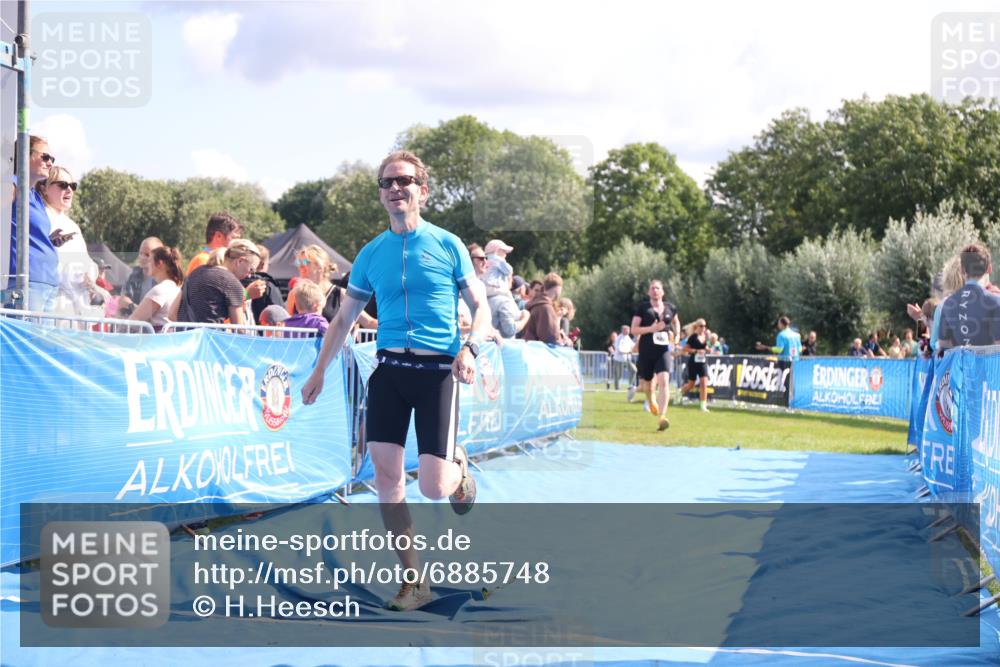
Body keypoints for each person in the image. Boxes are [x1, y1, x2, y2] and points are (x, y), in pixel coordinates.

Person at [300, 150, 491, 612]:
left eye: (404, 181)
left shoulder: (448, 245)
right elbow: (344, 318)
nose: (394, 189)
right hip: (388, 373)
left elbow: (481, 310)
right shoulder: (370, 254)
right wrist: (319, 370)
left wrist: (471, 348)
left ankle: (457, 465)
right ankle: (414, 580)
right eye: (386, 183)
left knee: (434, 488)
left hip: (436, 376)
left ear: (422, 190)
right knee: (386, 478)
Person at [39, 167, 107, 317]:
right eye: (63, 185)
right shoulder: (42, 219)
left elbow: (85, 261)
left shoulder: (72, 225)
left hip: (77, 307)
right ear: (44, 188)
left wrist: (90, 273)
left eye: (73, 186)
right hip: (55, 304)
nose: (69, 190)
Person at [7, 135, 59, 311]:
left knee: (39, 339)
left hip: (47, 282)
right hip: (24, 282)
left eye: (52, 159)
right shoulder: (12, 186)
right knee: (24, 338)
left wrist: (49, 240)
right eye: (45, 157)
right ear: (24, 155)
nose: (50, 163)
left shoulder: (35, 196)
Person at [170, 239, 260, 325]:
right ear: (240, 261)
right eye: (251, 270)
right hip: (210, 338)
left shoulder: (195, 272)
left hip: (185, 337)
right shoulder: (232, 283)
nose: (250, 275)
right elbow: (239, 330)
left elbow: (171, 315)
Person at [631, 279, 681, 431]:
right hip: (646, 350)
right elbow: (634, 329)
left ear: (662, 291)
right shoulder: (643, 308)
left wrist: (677, 335)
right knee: (647, 384)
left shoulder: (670, 308)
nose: (655, 290)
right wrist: (651, 329)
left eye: (657, 288)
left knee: (664, 380)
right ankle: (650, 399)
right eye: (652, 288)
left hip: (663, 350)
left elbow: (676, 322)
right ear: (648, 292)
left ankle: (662, 417)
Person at [938, 244, 1000, 350]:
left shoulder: (948, 303)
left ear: (962, 270)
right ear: (989, 269)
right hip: (987, 366)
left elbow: (943, 344)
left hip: (961, 366)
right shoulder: (995, 302)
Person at [129, 246, 184, 332]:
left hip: (156, 342)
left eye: (150, 260)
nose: (147, 264)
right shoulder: (175, 288)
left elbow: (133, 321)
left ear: (159, 264)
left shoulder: (160, 290)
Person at [241, 244, 284, 325]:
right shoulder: (269, 286)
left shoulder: (236, 282)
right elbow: (279, 313)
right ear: (263, 264)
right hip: (264, 334)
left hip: (239, 332)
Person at [523, 273, 565, 345]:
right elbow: (551, 338)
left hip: (529, 349)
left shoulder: (537, 303)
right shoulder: (545, 307)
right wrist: (564, 338)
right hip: (537, 352)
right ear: (557, 289)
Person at [679, 319, 710, 413]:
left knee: (704, 383)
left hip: (703, 362)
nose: (703, 328)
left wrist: (708, 349)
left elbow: (706, 347)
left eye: (704, 326)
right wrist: (696, 351)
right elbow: (685, 349)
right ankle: (679, 393)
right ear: (696, 327)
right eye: (701, 326)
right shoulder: (693, 337)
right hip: (693, 362)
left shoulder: (705, 336)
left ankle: (703, 406)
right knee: (690, 385)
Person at [123, 237, 164, 304]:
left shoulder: (162, 281)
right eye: (140, 253)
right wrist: (133, 307)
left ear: (158, 258)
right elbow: (123, 299)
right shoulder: (132, 274)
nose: (142, 257)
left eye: (147, 255)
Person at [612, 325, 636, 392]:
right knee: (618, 375)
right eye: (627, 330)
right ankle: (617, 389)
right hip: (618, 359)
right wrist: (628, 351)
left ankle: (630, 385)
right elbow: (619, 349)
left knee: (634, 370)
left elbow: (633, 345)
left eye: (629, 329)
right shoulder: (619, 338)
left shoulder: (628, 337)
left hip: (627, 359)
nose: (628, 331)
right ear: (623, 330)